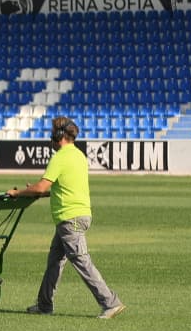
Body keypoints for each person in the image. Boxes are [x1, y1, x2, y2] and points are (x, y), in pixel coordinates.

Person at [7, 116, 126, 319]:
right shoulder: (79, 156)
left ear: (59, 135)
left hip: (70, 219)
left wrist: (18, 193)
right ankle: (44, 305)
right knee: (54, 262)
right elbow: (60, 189)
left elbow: (43, 185)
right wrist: (36, 192)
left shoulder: (60, 157)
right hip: (76, 216)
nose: (51, 137)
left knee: (81, 260)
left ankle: (110, 303)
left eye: (53, 133)